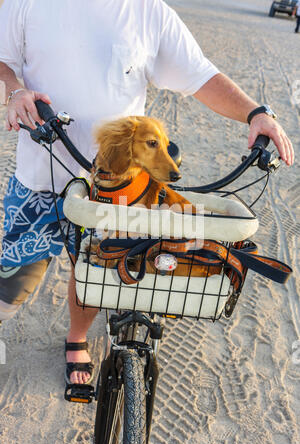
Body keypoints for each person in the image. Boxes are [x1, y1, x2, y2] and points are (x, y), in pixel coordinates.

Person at [0, 0, 294, 385]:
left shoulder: (148, 11)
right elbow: (3, 61)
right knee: (9, 286)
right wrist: (14, 91)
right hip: (41, 175)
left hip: (115, 189)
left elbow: (201, 75)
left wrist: (256, 113)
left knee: (97, 273)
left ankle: (77, 339)